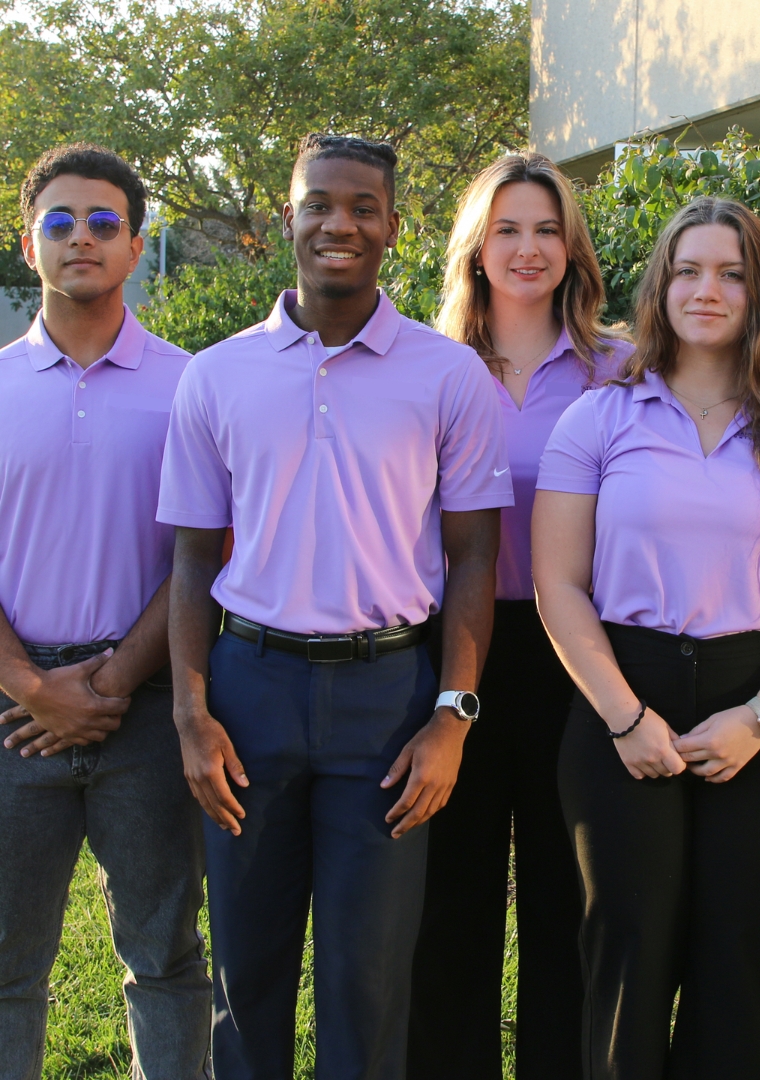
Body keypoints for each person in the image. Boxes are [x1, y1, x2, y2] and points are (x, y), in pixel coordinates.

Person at [156, 133, 513, 1079]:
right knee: (249, 976)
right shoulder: (216, 376)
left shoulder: (448, 376)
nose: (339, 223)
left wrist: (453, 715)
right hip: (248, 692)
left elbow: (474, 558)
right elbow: (192, 562)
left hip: (389, 699)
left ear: (395, 225)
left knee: (368, 981)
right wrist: (192, 712)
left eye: (363, 206)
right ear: (289, 218)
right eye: (319, 203)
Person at [532, 196, 760, 1079]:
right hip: (622, 696)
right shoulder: (599, 420)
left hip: (759, 699)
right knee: (627, 946)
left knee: (739, 953)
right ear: (660, 285)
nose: (706, 290)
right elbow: (557, 586)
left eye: (730, 273)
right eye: (687, 270)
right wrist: (623, 718)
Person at [408, 152, 632, 1080]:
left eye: (546, 228)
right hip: (452, 655)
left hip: (574, 656)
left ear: (572, 246)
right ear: (476, 246)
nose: (528, 247)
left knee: (565, 901)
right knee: (446, 905)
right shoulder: (423, 365)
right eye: (507, 228)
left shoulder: (622, 368)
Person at [0, 144, 210, 1079]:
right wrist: (29, 684)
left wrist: (114, 680)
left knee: (164, 957)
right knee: (6, 969)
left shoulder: (193, 386)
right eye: (58, 221)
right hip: (10, 712)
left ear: (134, 246)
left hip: (151, 712)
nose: (79, 238)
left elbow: (207, 553)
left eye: (102, 223)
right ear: (26, 242)